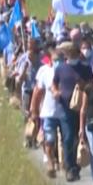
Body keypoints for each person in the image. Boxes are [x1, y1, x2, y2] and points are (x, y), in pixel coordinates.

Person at [54, 42, 93, 182]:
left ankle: (77, 165)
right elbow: (54, 83)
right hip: (65, 108)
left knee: (80, 136)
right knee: (68, 136)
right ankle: (70, 167)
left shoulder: (85, 69)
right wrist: (56, 91)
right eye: (67, 53)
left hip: (82, 107)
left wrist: (85, 86)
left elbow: (91, 84)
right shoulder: (60, 68)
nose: (69, 55)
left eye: (71, 52)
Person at [30, 48, 63, 178]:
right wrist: (34, 110)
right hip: (49, 112)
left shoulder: (66, 71)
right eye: (55, 60)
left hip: (64, 113)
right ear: (50, 59)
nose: (58, 62)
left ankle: (63, 163)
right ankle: (50, 162)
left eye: (60, 60)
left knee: (65, 140)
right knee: (49, 139)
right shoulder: (44, 71)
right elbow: (37, 92)